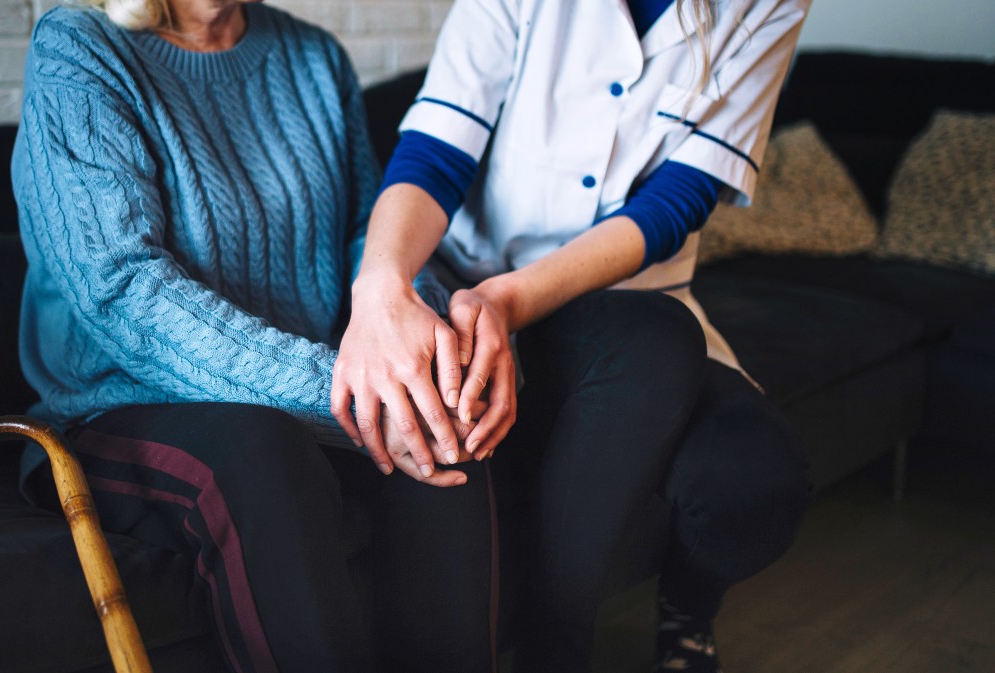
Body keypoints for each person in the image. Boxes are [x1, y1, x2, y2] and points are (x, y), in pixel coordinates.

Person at [10, 1, 497, 672]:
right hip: (122, 400)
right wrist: (347, 388)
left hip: (315, 392)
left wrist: (432, 346)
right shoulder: (80, 45)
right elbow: (121, 293)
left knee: (445, 428)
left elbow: (371, 239)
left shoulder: (314, 57)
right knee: (266, 448)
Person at [332, 1, 815, 671]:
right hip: (477, 280)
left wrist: (511, 301)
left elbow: (679, 199)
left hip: (630, 304)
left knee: (755, 475)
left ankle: (684, 612)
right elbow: (436, 150)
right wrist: (380, 287)